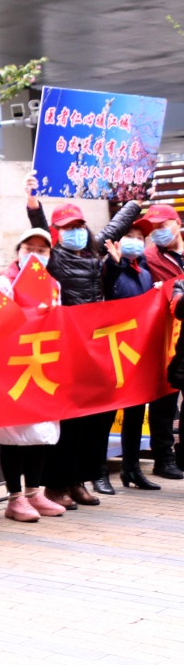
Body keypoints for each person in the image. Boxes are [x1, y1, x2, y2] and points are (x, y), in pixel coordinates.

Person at [26, 175, 142, 505]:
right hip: (66, 348)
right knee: (69, 420)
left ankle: (79, 480)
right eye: (67, 227)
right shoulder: (54, 257)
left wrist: (134, 202)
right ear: (57, 233)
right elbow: (39, 226)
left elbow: (116, 227)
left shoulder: (94, 252)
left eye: (78, 225)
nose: (74, 231)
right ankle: (56, 485)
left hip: (95, 346)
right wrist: (32, 202)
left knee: (95, 417)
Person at [0, 229, 68, 521]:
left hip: (42, 365)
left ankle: (35, 493)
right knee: (12, 433)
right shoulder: (2, 281)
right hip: (12, 366)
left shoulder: (53, 284)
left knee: (41, 431)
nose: (35, 254)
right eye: (29, 248)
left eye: (42, 250)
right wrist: (31, 316)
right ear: (18, 251)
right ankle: (14, 498)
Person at [102, 215, 156, 490]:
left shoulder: (145, 273)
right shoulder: (107, 267)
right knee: (106, 412)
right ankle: (98, 470)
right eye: (129, 236)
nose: (135, 241)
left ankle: (131, 468)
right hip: (111, 350)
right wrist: (114, 264)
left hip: (136, 351)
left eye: (139, 237)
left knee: (135, 411)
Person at [134, 204, 184, 480]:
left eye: (162, 226)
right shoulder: (148, 257)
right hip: (165, 337)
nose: (157, 233)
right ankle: (163, 457)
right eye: (153, 229)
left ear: (178, 223)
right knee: (165, 399)